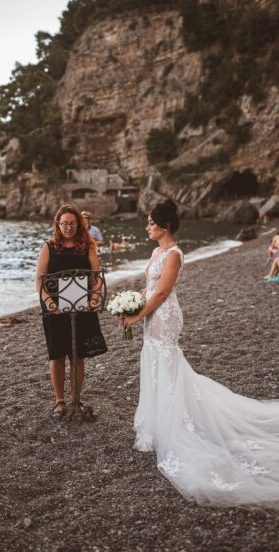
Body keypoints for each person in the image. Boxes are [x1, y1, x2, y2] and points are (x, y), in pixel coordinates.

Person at [121, 199, 279, 508]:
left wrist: (139, 315)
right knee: (153, 362)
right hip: (151, 313)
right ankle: (156, 422)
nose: (147, 226)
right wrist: (134, 303)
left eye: (151, 223)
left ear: (165, 226)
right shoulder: (155, 252)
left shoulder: (174, 255)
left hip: (165, 318)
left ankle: (176, 423)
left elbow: (164, 291)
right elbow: (150, 287)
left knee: (166, 363)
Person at [36, 204, 107, 419]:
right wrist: (49, 303)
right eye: (64, 223)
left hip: (83, 307)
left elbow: (96, 277)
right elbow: (39, 281)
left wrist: (94, 298)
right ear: (58, 224)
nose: (68, 227)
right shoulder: (48, 246)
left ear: (79, 224)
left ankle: (77, 397)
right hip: (55, 309)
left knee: (78, 356)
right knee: (57, 355)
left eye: (72, 223)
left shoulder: (88, 245)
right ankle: (60, 401)